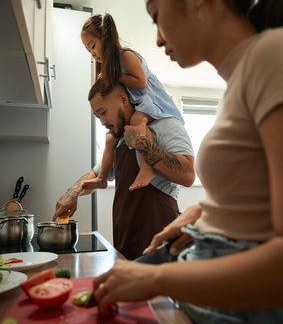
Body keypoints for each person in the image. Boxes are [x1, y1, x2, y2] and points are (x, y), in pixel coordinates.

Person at [91, 0, 283, 324]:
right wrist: (201, 215)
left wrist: (158, 281)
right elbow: (256, 189)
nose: (158, 37)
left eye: (156, 14)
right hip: (215, 298)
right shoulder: (246, 76)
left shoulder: (278, 57)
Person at [53, 80, 195, 260]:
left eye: (103, 113)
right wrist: (73, 192)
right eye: (97, 117)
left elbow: (188, 174)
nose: (103, 121)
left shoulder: (166, 125)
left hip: (159, 241)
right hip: (125, 240)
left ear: (123, 99)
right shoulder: (118, 140)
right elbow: (96, 174)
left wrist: (143, 144)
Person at [80, 13, 185, 191]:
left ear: (105, 38)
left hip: (148, 100)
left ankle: (147, 169)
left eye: (93, 46)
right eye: (88, 51)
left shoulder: (126, 56)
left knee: (138, 122)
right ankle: (102, 178)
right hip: (137, 102)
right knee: (109, 140)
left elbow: (141, 82)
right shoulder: (109, 66)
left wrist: (114, 76)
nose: (92, 53)